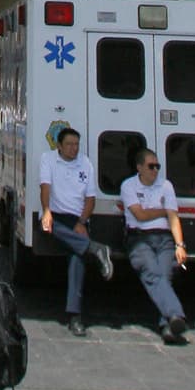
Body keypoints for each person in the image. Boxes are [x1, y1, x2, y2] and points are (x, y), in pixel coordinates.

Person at [39, 126, 112, 337]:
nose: (73, 149)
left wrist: (82, 221)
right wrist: (46, 212)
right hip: (55, 215)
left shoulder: (86, 164)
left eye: (76, 145)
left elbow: (90, 199)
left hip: (76, 219)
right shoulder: (48, 159)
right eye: (69, 144)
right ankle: (96, 249)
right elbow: (45, 188)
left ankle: (75, 316)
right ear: (59, 146)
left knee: (77, 255)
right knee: (49, 226)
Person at [120, 148, 188, 343]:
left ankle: (167, 326)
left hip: (164, 238)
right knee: (152, 272)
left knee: (165, 275)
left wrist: (179, 244)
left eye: (157, 166)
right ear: (139, 167)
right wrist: (162, 212)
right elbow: (139, 215)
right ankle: (176, 315)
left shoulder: (166, 186)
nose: (155, 170)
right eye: (151, 166)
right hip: (139, 238)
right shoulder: (129, 186)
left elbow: (173, 217)